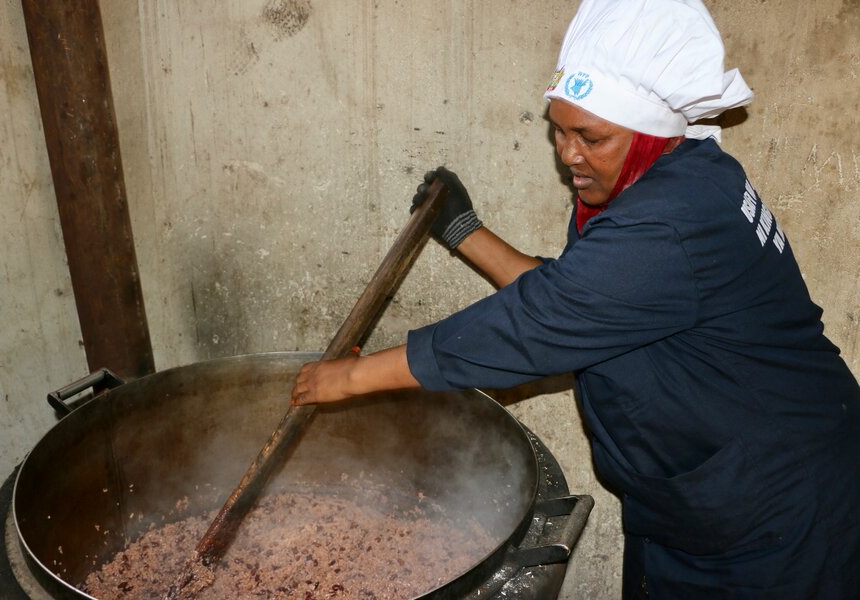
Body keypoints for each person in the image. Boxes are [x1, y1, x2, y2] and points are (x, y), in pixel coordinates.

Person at [291, 0, 860, 597]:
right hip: (702, 495)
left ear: (649, 134)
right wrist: (465, 233)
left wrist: (350, 379)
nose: (568, 154)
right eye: (559, 129)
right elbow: (577, 302)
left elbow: (533, 325)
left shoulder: (671, 220)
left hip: (776, 515)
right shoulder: (668, 180)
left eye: (590, 136)